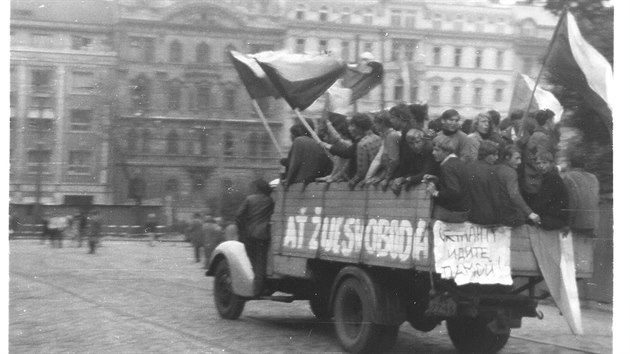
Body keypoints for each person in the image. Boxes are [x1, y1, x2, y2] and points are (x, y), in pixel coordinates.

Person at [235, 179, 275, 296]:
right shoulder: (269, 201)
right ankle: (258, 289)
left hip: (249, 235)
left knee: (252, 261)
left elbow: (238, 216)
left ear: (257, 188)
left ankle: (256, 289)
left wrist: (243, 229)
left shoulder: (249, 199)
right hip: (263, 235)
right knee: (261, 263)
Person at [425, 141, 470, 223]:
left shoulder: (447, 166)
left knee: (427, 217)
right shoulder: (457, 162)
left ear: (447, 151)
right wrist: (438, 180)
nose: (433, 153)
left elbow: (454, 191)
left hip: (454, 212)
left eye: (437, 150)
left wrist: (435, 192)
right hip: (464, 210)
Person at [496, 145, 540, 227]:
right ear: (507, 157)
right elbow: (514, 195)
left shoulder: (496, 168)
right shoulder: (511, 172)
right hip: (508, 215)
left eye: (520, 158)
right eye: (516, 158)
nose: (519, 162)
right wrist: (530, 213)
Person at [527, 151, 569, 231]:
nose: (541, 166)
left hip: (554, 219)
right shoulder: (548, 176)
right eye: (538, 163)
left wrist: (529, 216)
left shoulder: (551, 178)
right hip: (555, 218)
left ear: (551, 164)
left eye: (544, 163)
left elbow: (542, 202)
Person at [390, 128, 438, 195]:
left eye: (418, 142)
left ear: (423, 140)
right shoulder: (412, 151)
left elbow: (426, 173)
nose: (415, 146)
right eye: (411, 143)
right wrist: (401, 179)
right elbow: (412, 171)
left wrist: (406, 179)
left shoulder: (429, 149)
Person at [466, 141, 502, 225]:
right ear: (486, 155)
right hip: (488, 217)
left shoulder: (468, 166)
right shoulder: (492, 171)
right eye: (494, 155)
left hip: (470, 214)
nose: (496, 158)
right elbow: (495, 197)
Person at [363, 110, 400, 189]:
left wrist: (385, 178)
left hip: (393, 177)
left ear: (382, 123)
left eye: (376, 123)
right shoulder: (386, 136)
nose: (374, 126)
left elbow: (393, 160)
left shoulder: (391, 136)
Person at [316, 112, 353, 182]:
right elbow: (338, 167)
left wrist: (328, 123)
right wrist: (331, 176)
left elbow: (337, 138)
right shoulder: (340, 146)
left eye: (328, 134)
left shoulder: (348, 144)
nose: (327, 137)